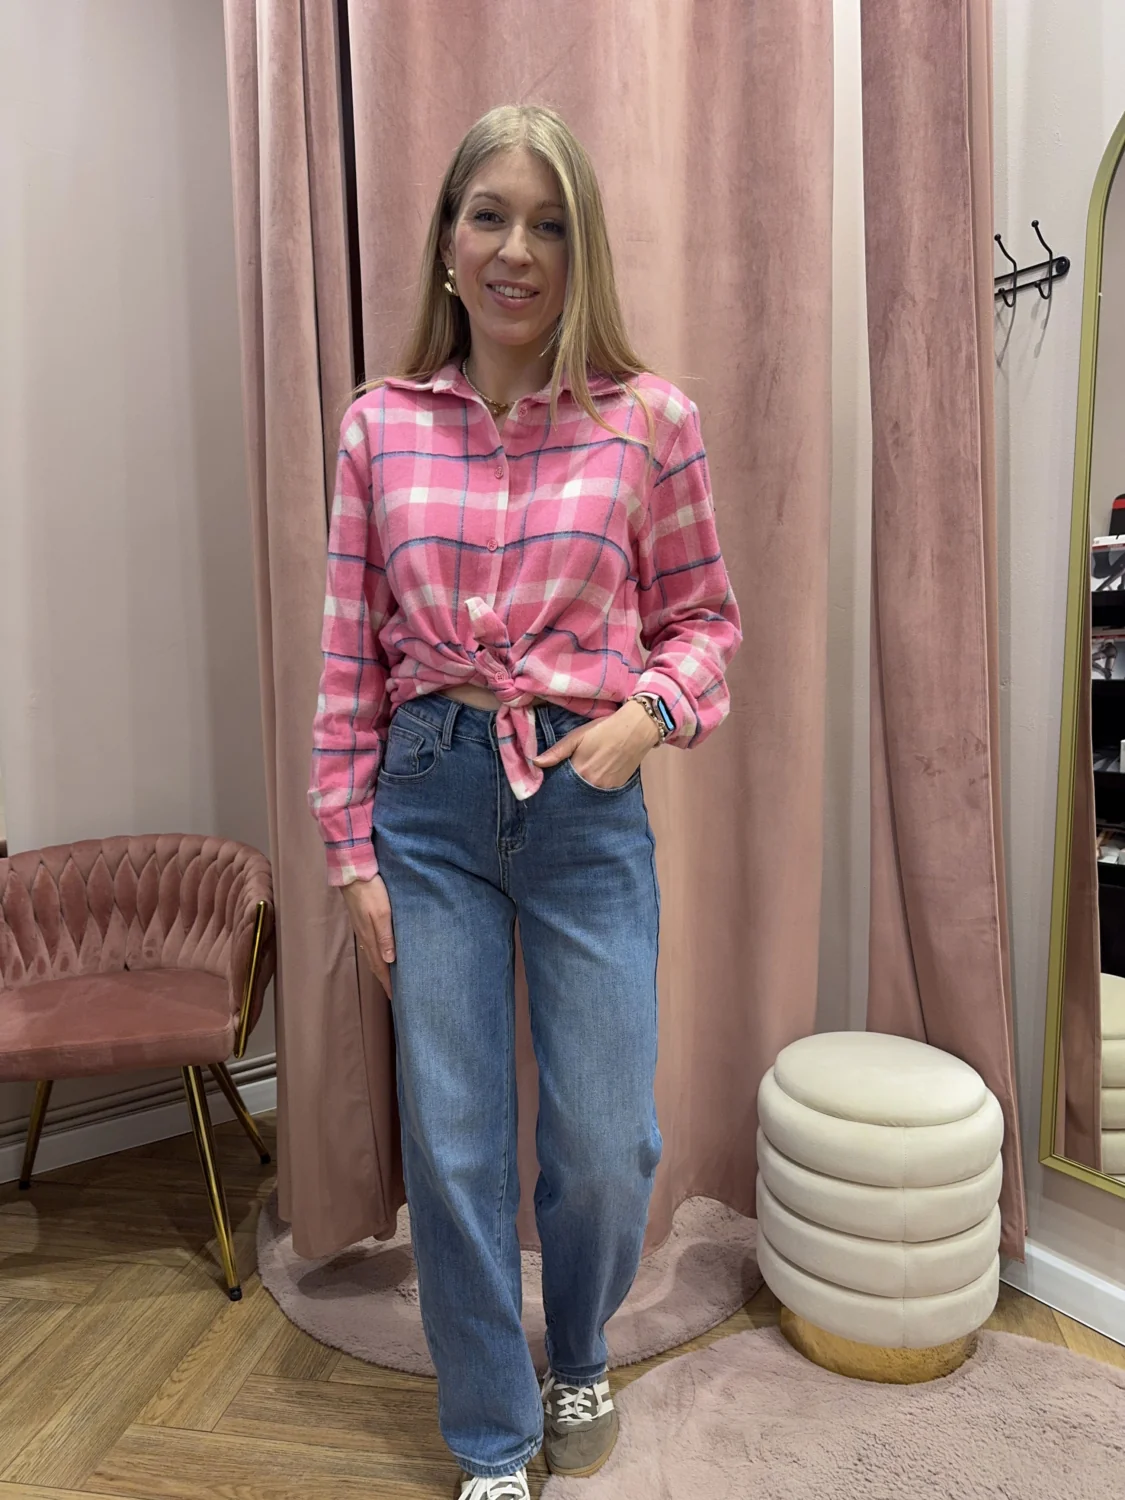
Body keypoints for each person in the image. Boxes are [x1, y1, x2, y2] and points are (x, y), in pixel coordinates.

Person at [308, 102, 742, 1500]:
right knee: (454, 1141)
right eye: (488, 216)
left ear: (581, 250)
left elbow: (707, 624)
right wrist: (350, 853)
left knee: (607, 1139)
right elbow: (348, 658)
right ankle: (492, 1432)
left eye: (548, 224)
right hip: (427, 801)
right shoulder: (380, 428)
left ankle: (582, 1350)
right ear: (446, 242)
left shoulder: (648, 422)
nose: (516, 249)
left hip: (582, 799)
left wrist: (643, 720)